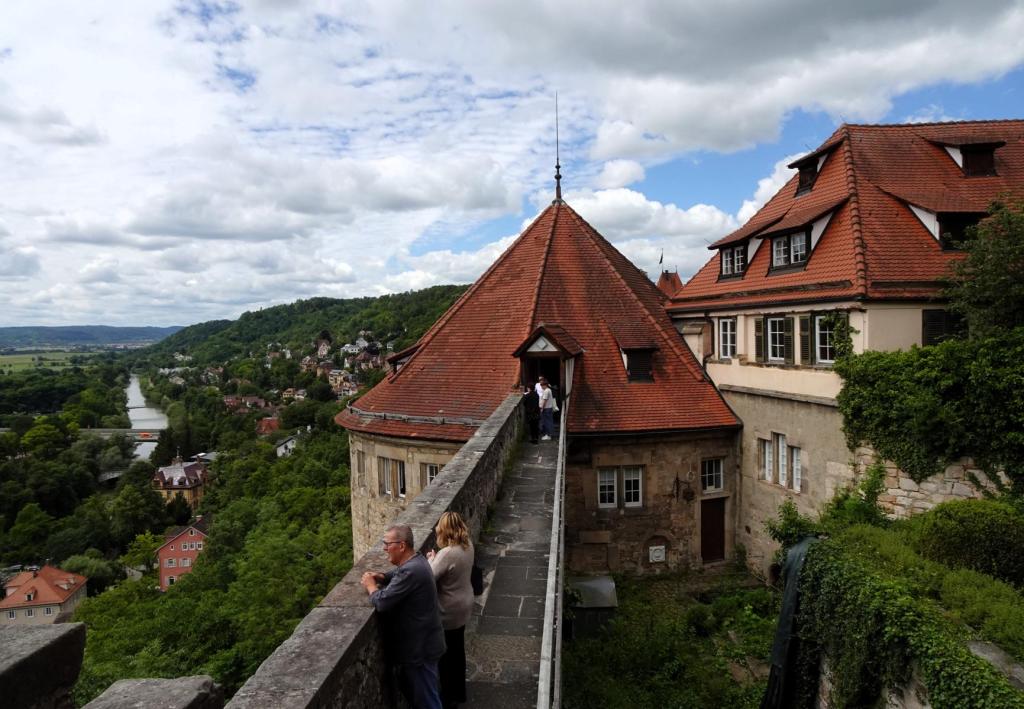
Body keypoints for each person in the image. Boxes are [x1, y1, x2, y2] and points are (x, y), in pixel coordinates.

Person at [362, 524, 446, 709]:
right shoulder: (417, 561)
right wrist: (382, 576)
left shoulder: (412, 571)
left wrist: (370, 585)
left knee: (427, 702)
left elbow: (382, 602)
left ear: (401, 546)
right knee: (422, 696)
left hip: (420, 650)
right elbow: (398, 574)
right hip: (425, 644)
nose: (384, 548)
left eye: (387, 544)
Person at [426, 512, 474, 709]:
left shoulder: (447, 553)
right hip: (465, 604)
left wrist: (431, 558)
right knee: (458, 651)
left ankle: (448, 698)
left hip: (448, 610)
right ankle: (459, 692)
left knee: (445, 657)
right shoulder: (468, 545)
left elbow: (430, 577)